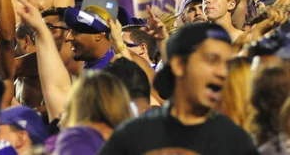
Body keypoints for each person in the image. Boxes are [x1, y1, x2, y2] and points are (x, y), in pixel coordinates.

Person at [98, 22, 259, 155]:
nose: (223, 72)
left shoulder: (236, 142)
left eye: (227, 64)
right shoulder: (132, 136)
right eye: (212, 60)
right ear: (179, 65)